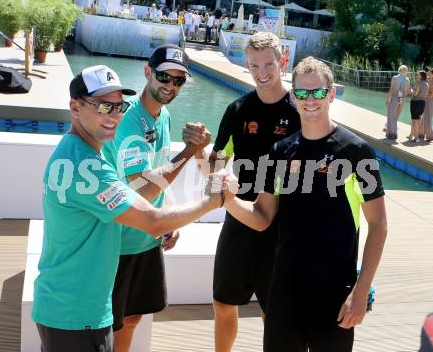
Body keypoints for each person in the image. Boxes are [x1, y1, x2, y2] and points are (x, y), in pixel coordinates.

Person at [32, 64, 224, 352]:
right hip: (76, 313)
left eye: (119, 107)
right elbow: (154, 221)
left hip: (71, 308)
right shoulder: (87, 167)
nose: (114, 116)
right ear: (74, 107)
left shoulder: (81, 153)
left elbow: (141, 201)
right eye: (102, 106)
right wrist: (213, 200)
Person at [220, 56, 387, 351]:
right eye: (302, 93)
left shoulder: (357, 152)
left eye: (318, 92)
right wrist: (227, 200)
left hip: (334, 291)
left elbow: (379, 225)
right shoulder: (279, 151)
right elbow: (262, 216)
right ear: (293, 95)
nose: (310, 100)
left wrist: (360, 292)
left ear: (331, 94)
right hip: (284, 288)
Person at [195, 32, 301, 352]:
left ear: (281, 60)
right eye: (254, 65)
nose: (262, 71)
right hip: (240, 217)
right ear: (246, 65)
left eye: (268, 63)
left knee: (277, 312)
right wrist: (215, 174)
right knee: (223, 304)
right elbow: (215, 164)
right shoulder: (237, 109)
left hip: (282, 227)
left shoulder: (299, 110)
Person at [102, 45, 210, 352]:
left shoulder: (163, 117)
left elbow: (155, 176)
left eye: (179, 81)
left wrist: (163, 223)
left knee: (133, 316)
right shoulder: (129, 120)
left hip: (146, 238)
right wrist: (189, 151)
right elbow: (141, 188)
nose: (170, 86)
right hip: (118, 241)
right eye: (164, 76)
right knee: (109, 323)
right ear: (148, 72)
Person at [385, 65, 411, 140]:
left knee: (390, 115)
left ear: (399, 70)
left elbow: (391, 89)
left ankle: (390, 133)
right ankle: (393, 133)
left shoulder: (395, 78)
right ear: (406, 71)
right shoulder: (407, 80)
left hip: (394, 98)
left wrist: (388, 99)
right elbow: (406, 92)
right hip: (401, 99)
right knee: (395, 116)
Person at [408, 70, 429, 142]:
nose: (417, 75)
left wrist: (411, 90)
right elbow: (425, 95)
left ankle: (416, 138)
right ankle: (412, 135)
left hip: (415, 102)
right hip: (422, 103)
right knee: (418, 119)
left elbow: (415, 94)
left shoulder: (419, 83)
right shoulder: (426, 84)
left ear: (421, 76)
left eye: (418, 74)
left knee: (415, 120)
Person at [419, 68, 433, 141]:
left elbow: (431, 94)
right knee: (424, 116)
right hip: (425, 99)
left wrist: (424, 94)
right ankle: (421, 134)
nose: (428, 72)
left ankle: (430, 136)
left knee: (428, 118)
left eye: (429, 72)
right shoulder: (427, 79)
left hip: (430, 100)